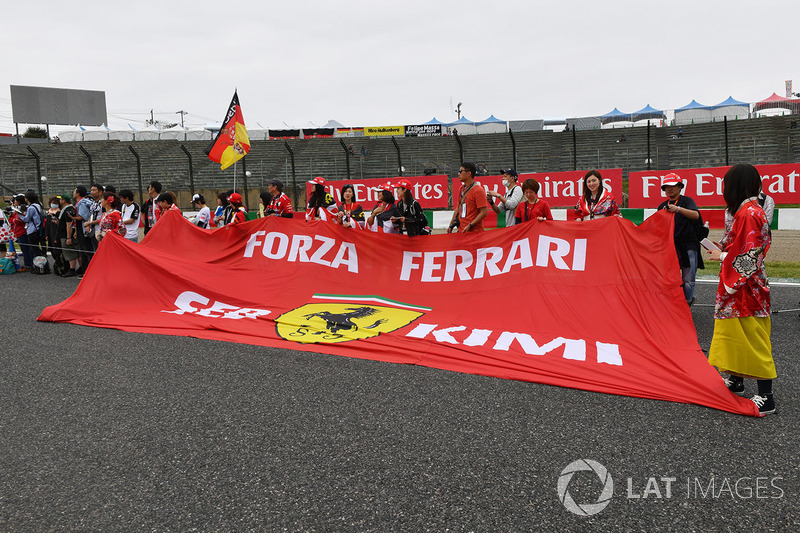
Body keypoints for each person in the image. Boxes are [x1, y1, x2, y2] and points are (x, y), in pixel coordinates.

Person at [706, 163, 776, 416]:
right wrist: (722, 250)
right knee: (738, 334)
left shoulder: (747, 213)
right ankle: (736, 380)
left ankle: (766, 396)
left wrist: (723, 255)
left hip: (747, 288)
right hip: (745, 285)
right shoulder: (748, 210)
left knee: (752, 336)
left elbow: (751, 254)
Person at [657, 173, 704, 305]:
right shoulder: (662, 206)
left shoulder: (687, 201)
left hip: (688, 245)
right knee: (668, 278)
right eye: (666, 187)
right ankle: (673, 305)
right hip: (670, 247)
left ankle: (687, 302)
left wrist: (678, 209)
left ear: (680, 187)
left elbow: (695, 215)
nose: (669, 189)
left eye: (672, 186)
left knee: (688, 279)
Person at [448, 162, 488, 233]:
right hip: (462, 231)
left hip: (475, 232)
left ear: (468, 173)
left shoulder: (478, 190)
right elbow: (458, 207)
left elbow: (484, 212)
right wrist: (451, 225)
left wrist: (470, 225)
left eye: (461, 171)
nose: (458, 174)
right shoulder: (461, 189)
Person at [17, 191, 44, 270]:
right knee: (36, 249)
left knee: (34, 250)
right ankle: (40, 265)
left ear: (27, 199)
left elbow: (26, 219)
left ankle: (38, 266)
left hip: (32, 230)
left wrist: (19, 214)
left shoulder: (31, 208)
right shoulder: (37, 205)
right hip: (38, 229)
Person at [55, 194, 79, 277]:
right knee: (72, 251)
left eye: (60, 199)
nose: (59, 201)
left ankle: (72, 269)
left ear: (64, 200)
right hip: (65, 234)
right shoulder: (66, 209)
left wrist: (68, 237)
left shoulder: (68, 210)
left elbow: (69, 224)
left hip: (66, 235)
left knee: (69, 251)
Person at [84, 183, 104, 248]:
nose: (91, 192)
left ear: (100, 192)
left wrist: (90, 222)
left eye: (94, 190)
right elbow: (92, 213)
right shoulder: (93, 202)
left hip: (101, 230)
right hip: (93, 230)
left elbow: (104, 217)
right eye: (91, 190)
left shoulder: (103, 202)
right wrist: (88, 224)